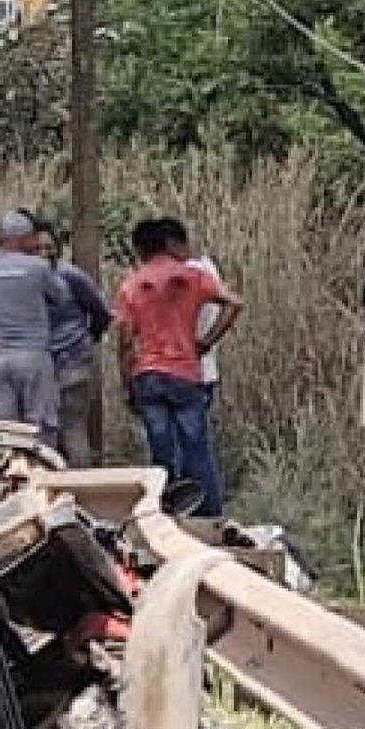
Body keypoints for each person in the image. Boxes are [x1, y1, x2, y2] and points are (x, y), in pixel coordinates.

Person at [115, 216, 241, 518]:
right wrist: (206, 342)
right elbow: (234, 302)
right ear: (170, 244)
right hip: (186, 373)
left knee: (161, 449)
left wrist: (127, 382)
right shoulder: (193, 278)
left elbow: (124, 341)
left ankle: (165, 511)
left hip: (148, 374)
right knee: (196, 445)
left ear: (141, 250)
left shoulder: (132, 285)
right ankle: (208, 514)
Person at [0, 210, 64, 439]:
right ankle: (38, 474)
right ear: (24, 238)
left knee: (4, 436)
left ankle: (8, 473)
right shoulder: (37, 267)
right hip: (33, 359)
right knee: (40, 433)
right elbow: (61, 297)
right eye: (33, 237)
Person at [38, 220, 112, 467]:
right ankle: (80, 485)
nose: (45, 252)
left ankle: (50, 486)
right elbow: (100, 311)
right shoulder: (71, 276)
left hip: (67, 363)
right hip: (56, 363)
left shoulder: (66, 276)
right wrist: (90, 336)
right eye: (39, 247)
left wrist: (89, 337)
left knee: (56, 430)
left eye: (48, 247)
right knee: (71, 430)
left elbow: (101, 312)